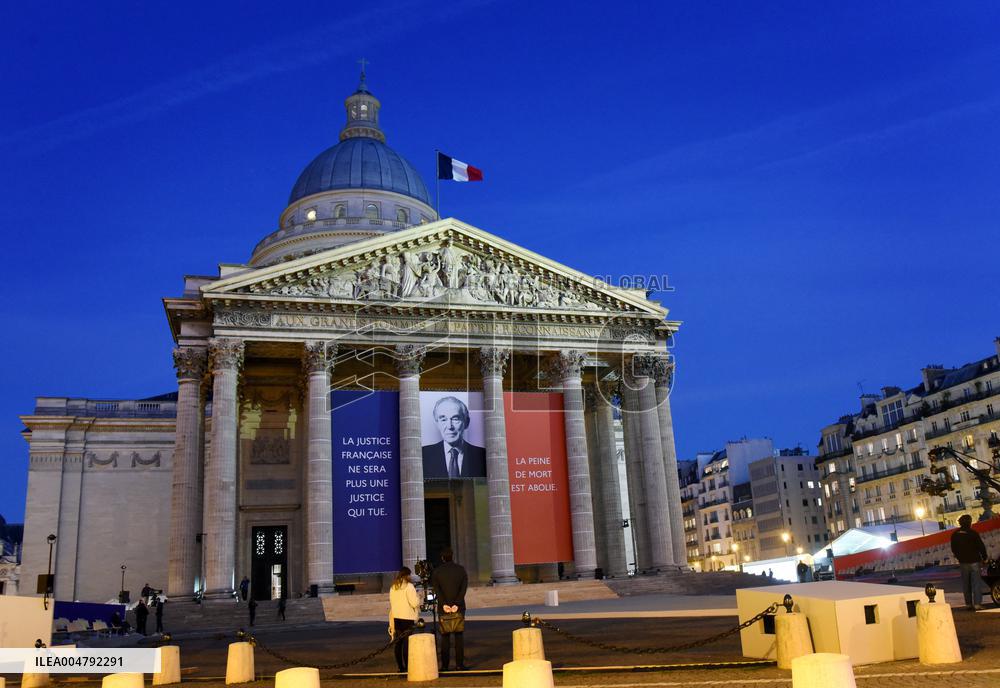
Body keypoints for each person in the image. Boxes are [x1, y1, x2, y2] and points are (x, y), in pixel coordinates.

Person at [422, 396, 487, 479]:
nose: (449, 426)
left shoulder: (482, 455)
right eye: (443, 419)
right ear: (437, 423)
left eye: (455, 419)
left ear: (466, 422)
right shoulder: (423, 455)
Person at [431, 547, 468, 671]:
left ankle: (445, 665)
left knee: (445, 638)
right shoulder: (461, 570)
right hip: (459, 607)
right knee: (459, 636)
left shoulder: (437, 572)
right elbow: (463, 589)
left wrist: (444, 604)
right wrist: (456, 604)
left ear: (442, 558)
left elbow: (437, 590)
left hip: (443, 608)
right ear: (452, 556)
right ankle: (459, 664)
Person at [951, 514, 988, 610]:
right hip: (974, 561)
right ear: (969, 523)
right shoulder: (973, 533)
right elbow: (981, 546)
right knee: (976, 583)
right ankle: (977, 604)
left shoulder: (955, 534)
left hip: (963, 562)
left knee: (966, 584)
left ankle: (968, 604)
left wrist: (959, 557)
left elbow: (953, 549)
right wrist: (984, 558)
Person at [389, 566, 421, 673]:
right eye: (410, 575)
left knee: (398, 643)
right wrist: (419, 597)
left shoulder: (393, 587)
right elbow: (414, 603)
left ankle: (400, 667)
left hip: (397, 618)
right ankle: (408, 666)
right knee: (407, 643)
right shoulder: (409, 586)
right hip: (407, 618)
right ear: (407, 575)